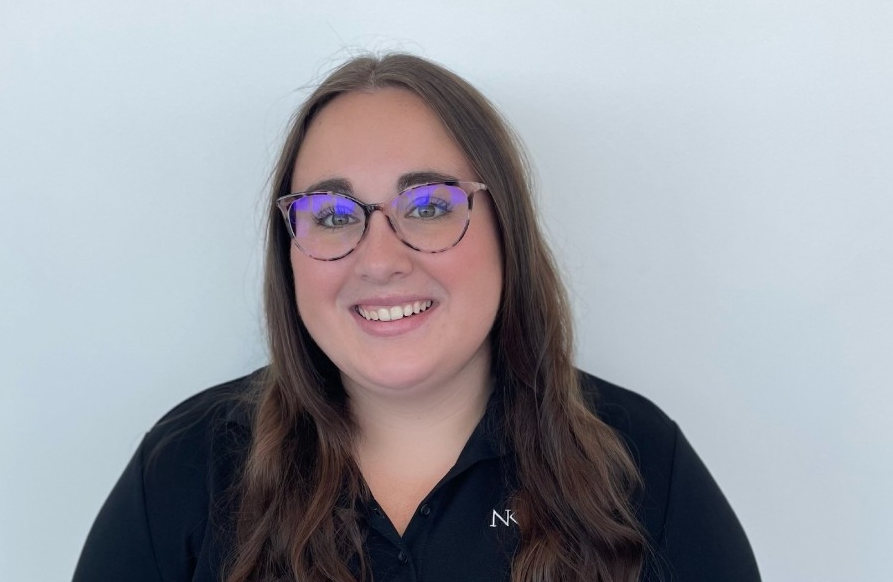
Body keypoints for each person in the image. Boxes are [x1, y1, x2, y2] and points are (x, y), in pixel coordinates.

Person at [73, 53, 760, 582]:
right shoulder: (187, 466)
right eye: (331, 216)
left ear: (507, 231)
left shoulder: (641, 466)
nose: (379, 260)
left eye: (428, 206)